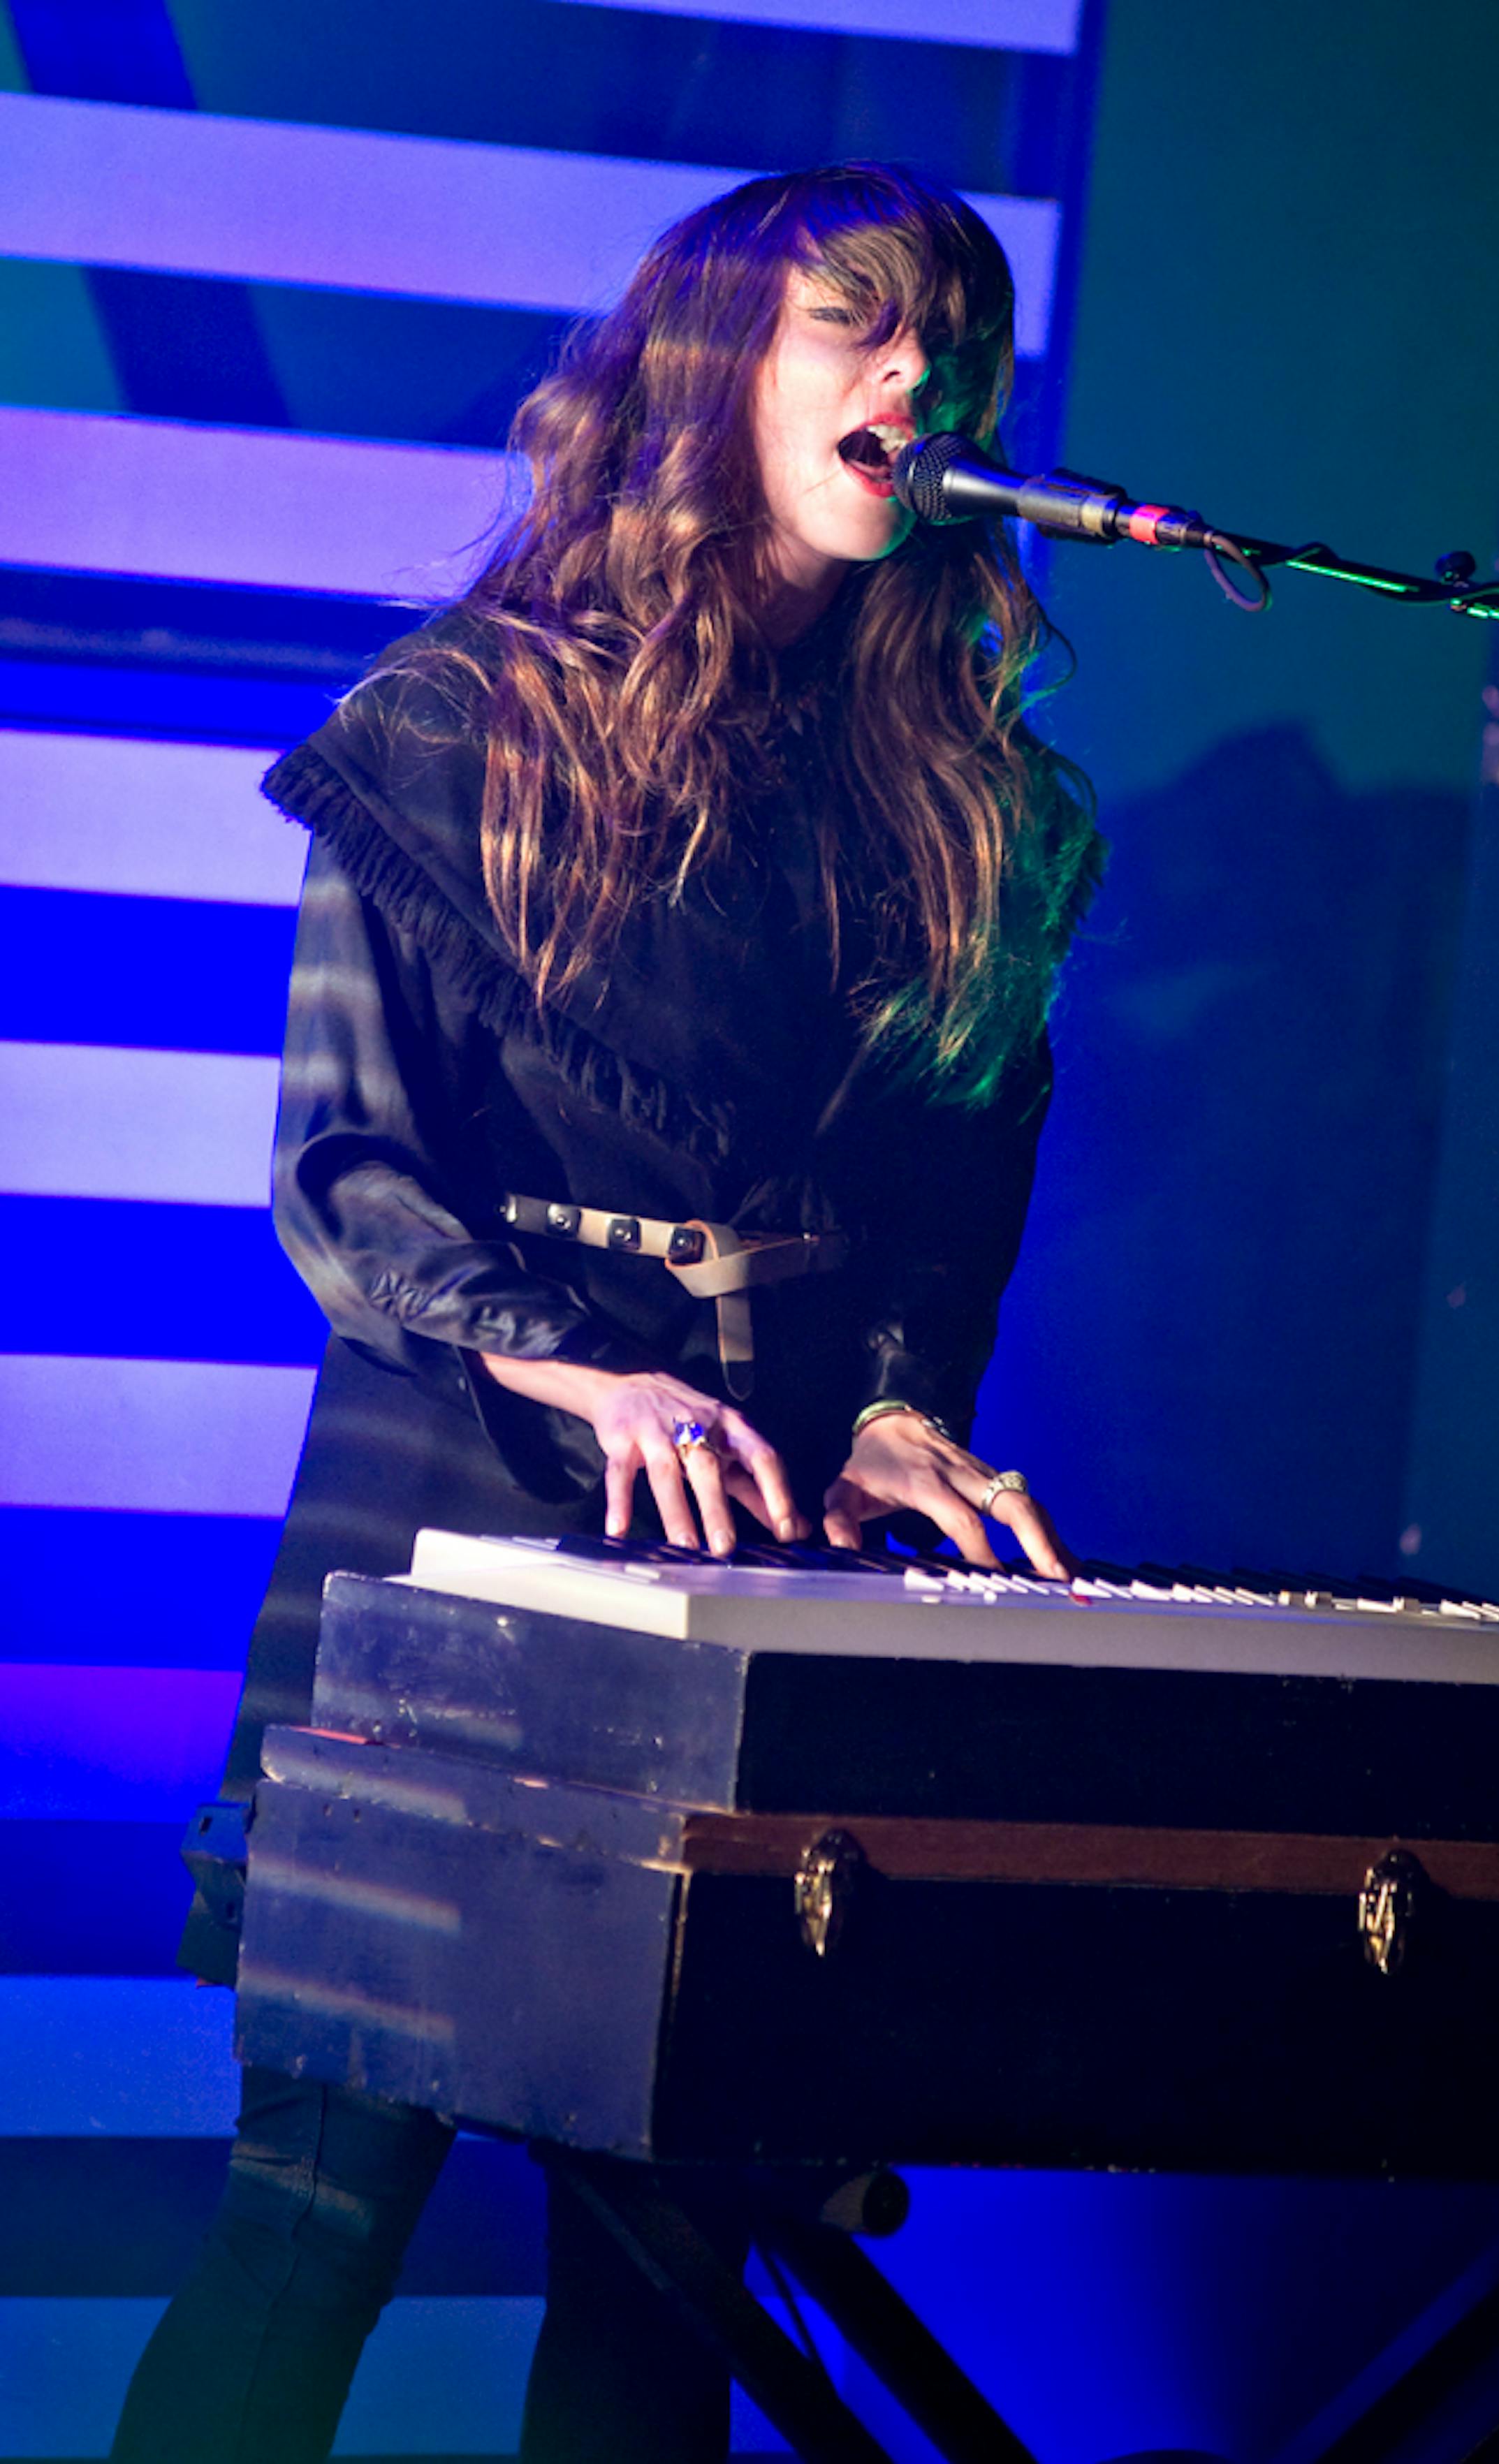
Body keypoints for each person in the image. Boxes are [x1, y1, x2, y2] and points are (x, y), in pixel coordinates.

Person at [111, 159, 1102, 2462]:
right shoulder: (466, 720)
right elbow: (337, 1167)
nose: (919, 373)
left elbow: (954, 1205)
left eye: (952, 333)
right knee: (311, 2229)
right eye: (853, 321)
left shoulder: (972, 802)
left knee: (672, 2284)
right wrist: (564, 1346)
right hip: (455, 1501)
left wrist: (894, 1413)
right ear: (709, 372)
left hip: (751, 1551)